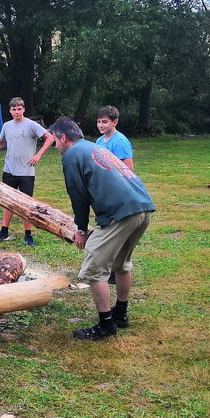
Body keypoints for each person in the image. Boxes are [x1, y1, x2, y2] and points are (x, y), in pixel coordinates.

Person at [49, 116, 156, 340]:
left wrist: (81, 229)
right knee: (121, 264)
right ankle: (120, 314)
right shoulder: (91, 147)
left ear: (64, 137)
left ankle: (106, 326)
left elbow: (78, 195)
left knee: (95, 268)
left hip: (122, 212)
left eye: (54, 140)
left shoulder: (71, 155)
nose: (54, 145)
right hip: (143, 207)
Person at [0, 97, 56, 246]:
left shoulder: (31, 125)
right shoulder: (7, 125)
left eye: (19, 109)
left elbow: (49, 138)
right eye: (14, 109)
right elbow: (1, 142)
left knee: (26, 204)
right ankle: (4, 231)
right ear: (10, 111)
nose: (17, 112)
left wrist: (38, 155)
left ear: (23, 109)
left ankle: (28, 235)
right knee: (7, 202)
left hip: (26, 172)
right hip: (9, 170)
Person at [95, 105, 135, 171]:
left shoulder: (120, 142)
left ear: (115, 122)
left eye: (104, 122)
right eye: (99, 122)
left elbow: (129, 170)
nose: (100, 125)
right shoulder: (99, 140)